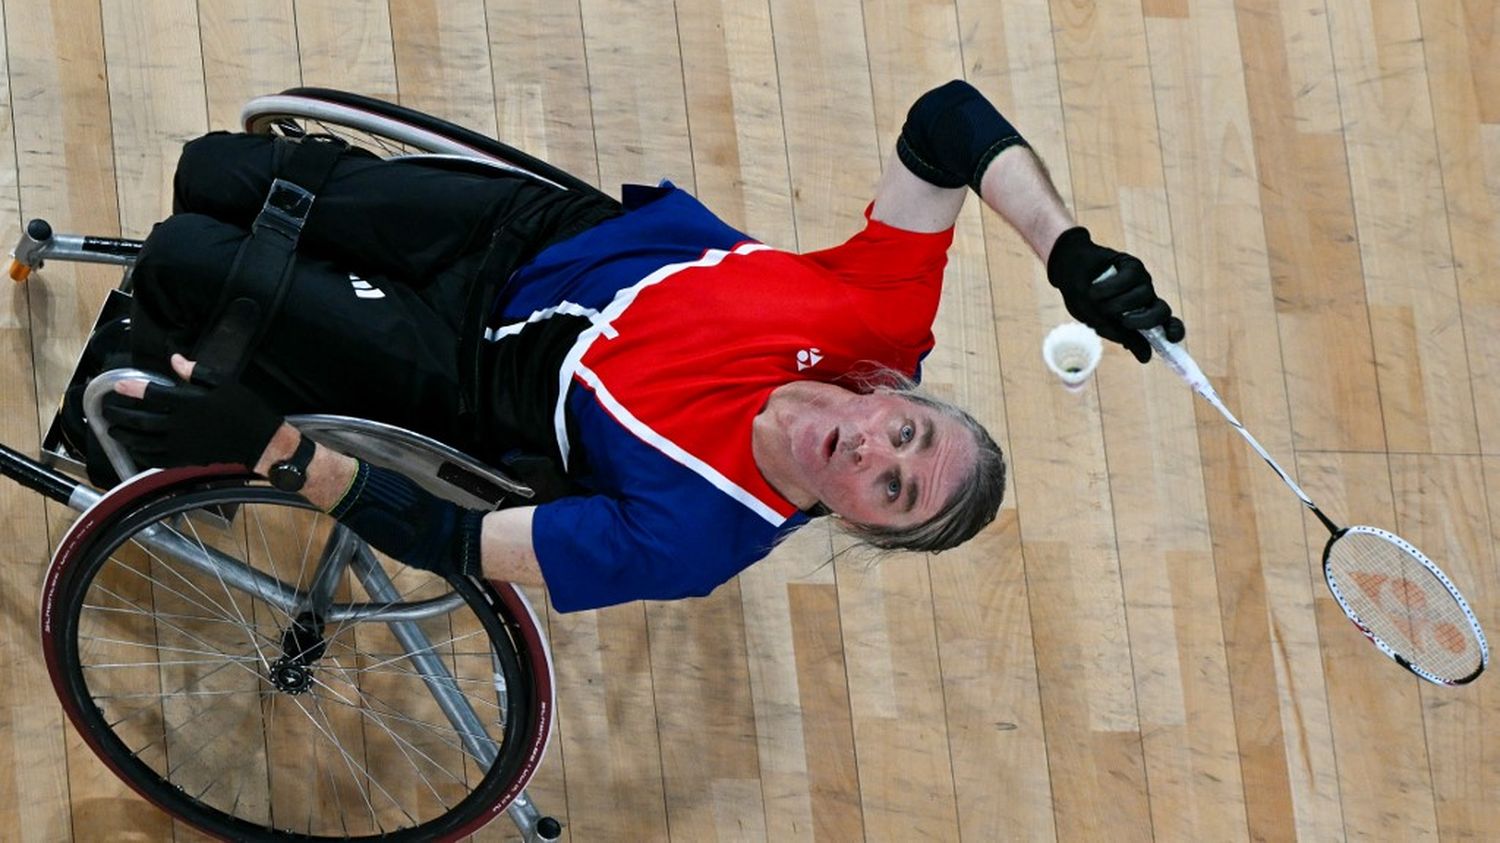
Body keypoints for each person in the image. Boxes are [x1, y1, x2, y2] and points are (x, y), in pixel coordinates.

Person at [101, 80, 1184, 613]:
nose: (876, 454)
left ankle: (174, 368)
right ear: (902, 393)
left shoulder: (696, 538)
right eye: (907, 434)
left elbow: (459, 545)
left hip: (464, 371)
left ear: (863, 529)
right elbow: (946, 122)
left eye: (895, 491)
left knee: (190, 259)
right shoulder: (879, 324)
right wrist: (1069, 251)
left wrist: (272, 449)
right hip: (522, 234)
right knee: (218, 171)